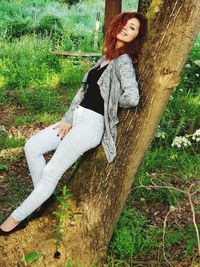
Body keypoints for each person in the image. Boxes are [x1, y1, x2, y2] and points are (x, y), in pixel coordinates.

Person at [0, 12, 147, 236]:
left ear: (137, 36)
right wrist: (68, 119)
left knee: (51, 172)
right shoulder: (105, 57)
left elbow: (132, 97)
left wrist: (109, 101)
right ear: (117, 26)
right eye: (125, 24)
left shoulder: (123, 61)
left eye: (133, 27)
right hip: (76, 119)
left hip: (91, 125)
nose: (127, 28)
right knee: (32, 146)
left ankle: (12, 222)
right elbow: (83, 92)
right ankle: (42, 199)